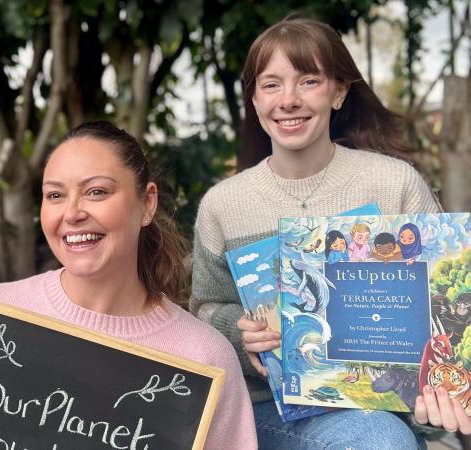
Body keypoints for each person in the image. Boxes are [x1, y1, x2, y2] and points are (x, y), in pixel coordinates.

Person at [0, 121, 258, 450]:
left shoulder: (204, 357)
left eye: (97, 192)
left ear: (148, 204)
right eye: (55, 195)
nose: (72, 213)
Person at [188, 16, 460, 449]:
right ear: (255, 100)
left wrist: (449, 389)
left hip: (382, 405)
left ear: (338, 92)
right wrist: (241, 332)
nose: (289, 100)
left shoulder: (395, 184)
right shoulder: (223, 205)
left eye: (309, 81)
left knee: (379, 436)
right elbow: (203, 309)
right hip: (265, 413)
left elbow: (449, 302)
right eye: (271, 84)